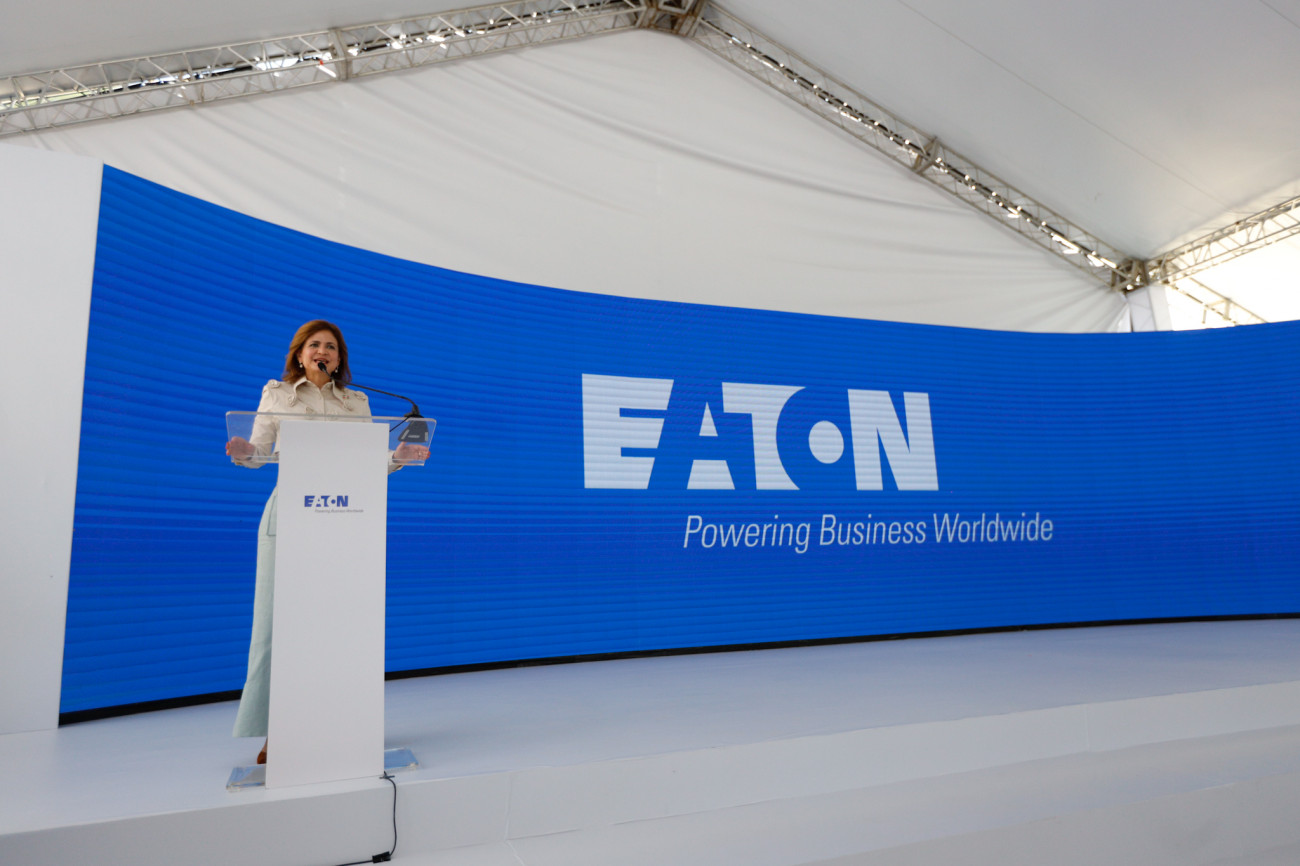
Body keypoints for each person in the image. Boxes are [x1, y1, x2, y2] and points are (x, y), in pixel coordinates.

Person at [225, 320, 427, 765]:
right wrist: (244, 453)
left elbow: (365, 461)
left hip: (344, 518)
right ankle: (277, 731)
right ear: (300, 354)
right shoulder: (278, 394)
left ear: (340, 358)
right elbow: (260, 452)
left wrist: (397, 457)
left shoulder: (357, 402)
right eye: (314, 345)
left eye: (331, 347)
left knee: (339, 626)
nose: (323, 352)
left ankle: (341, 724)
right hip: (289, 515)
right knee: (275, 628)